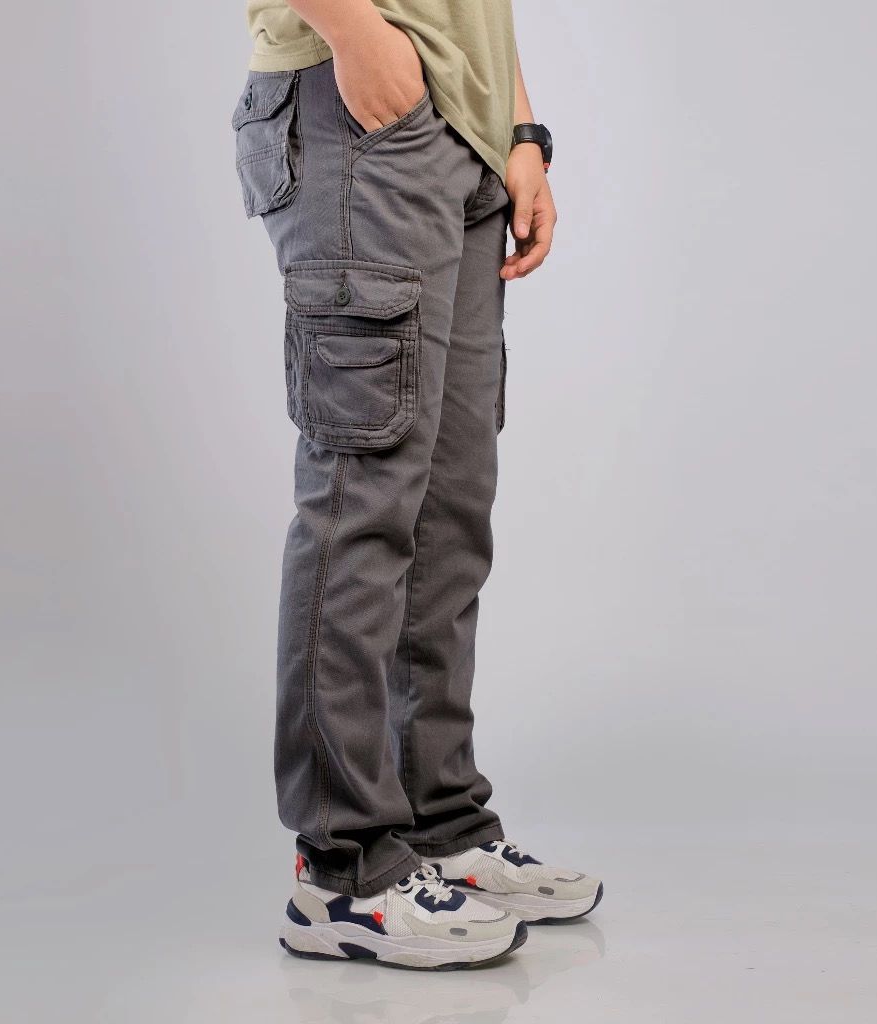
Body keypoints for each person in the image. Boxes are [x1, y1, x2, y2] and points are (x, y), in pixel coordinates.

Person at [233, 0, 603, 969]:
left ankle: (437, 825)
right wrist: (356, 35)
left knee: (447, 509)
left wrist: (519, 128)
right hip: (357, 109)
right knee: (362, 499)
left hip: (465, 134)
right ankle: (343, 869)